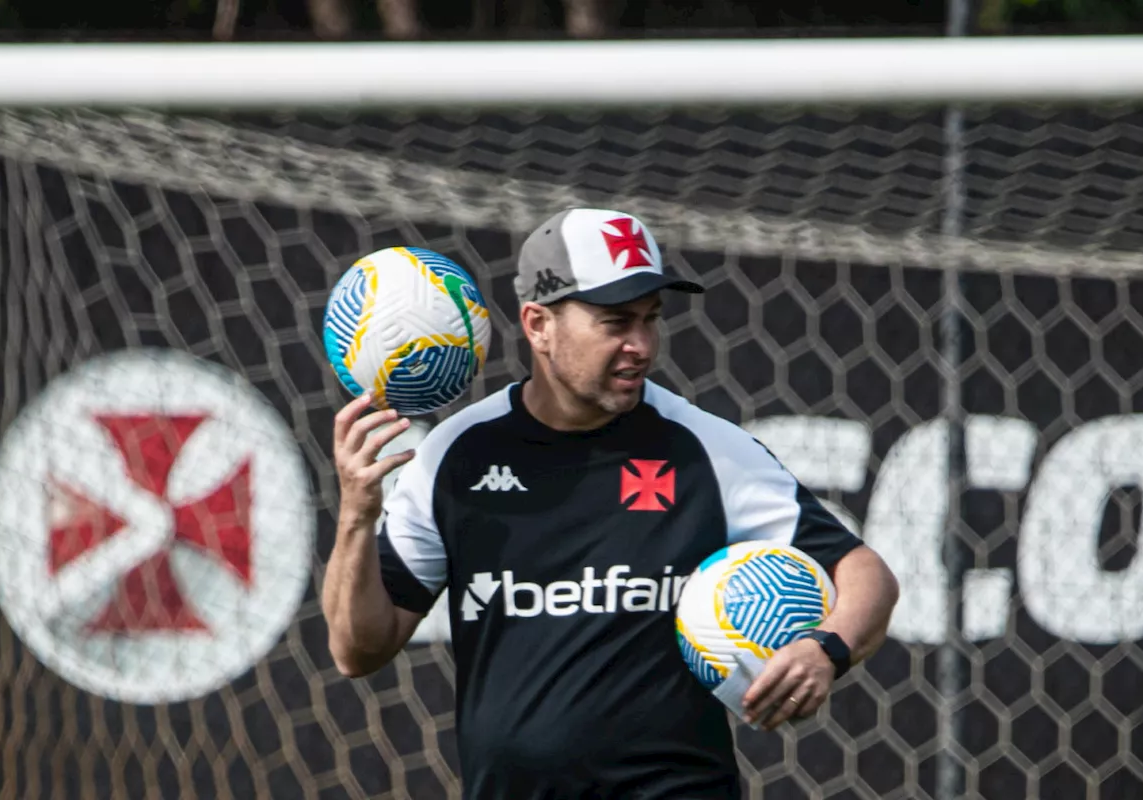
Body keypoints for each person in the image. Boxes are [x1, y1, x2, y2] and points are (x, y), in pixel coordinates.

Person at [321, 208, 900, 799]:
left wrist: (825, 647)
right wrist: (356, 518)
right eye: (615, 321)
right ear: (538, 324)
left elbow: (865, 574)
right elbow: (356, 649)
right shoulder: (456, 455)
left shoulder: (705, 448)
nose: (641, 346)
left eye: (651, 319)